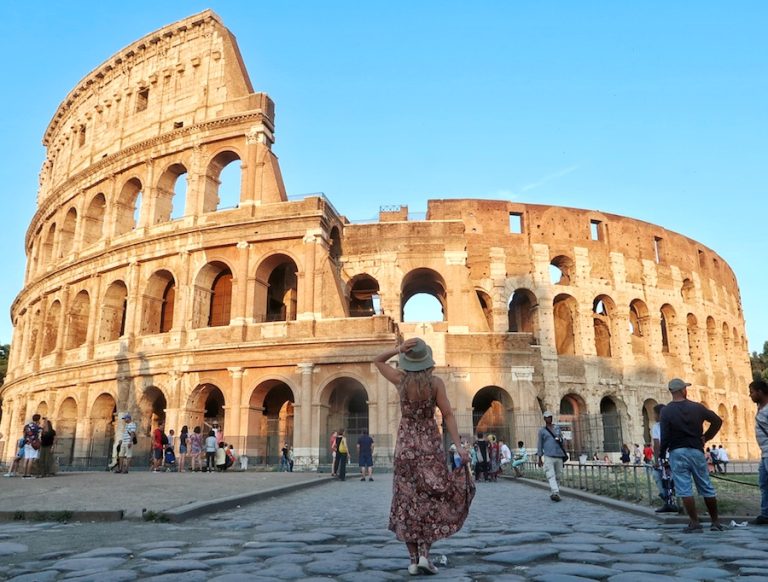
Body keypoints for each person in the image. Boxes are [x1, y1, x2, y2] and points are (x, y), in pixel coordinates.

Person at [374, 338, 474, 576]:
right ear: (427, 362)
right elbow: (448, 414)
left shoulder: (400, 380)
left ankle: (411, 560)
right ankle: (424, 556)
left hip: (406, 445)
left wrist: (397, 349)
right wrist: (459, 447)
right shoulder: (435, 383)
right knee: (431, 497)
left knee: (406, 500)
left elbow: (377, 361)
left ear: (408, 361)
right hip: (429, 444)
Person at [660, 378, 724, 532]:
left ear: (671, 392)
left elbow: (665, 435)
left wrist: (662, 454)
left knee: (684, 488)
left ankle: (694, 522)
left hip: (676, 451)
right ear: (683, 390)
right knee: (706, 486)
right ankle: (715, 522)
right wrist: (706, 437)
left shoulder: (666, 411)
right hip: (696, 449)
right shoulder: (697, 407)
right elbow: (717, 421)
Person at [749, 378, 768, 525]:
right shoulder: (761, 407)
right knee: (763, 483)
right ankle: (765, 513)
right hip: (765, 453)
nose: (750, 395)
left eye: (752, 392)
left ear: (760, 392)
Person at [537, 411, 566, 502]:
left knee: (558, 475)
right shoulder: (542, 431)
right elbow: (540, 444)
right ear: (544, 419)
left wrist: (560, 439)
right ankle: (555, 492)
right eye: (547, 417)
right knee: (550, 474)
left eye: (550, 417)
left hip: (559, 454)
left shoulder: (557, 428)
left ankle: (556, 492)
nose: (549, 418)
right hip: (548, 455)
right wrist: (539, 457)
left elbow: (562, 440)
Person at [21, 414, 42, 479]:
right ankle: (28, 474)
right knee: (31, 459)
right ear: (38, 419)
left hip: (27, 443)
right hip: (33, 443)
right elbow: (40, 434)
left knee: (26, 458)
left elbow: (24, 434)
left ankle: (24, 475)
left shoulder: (27, 426)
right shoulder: (37, 427)